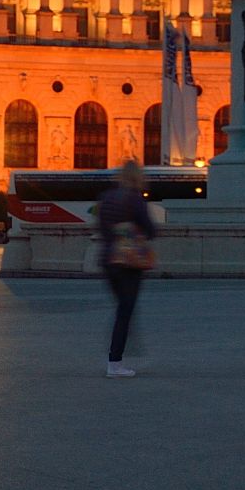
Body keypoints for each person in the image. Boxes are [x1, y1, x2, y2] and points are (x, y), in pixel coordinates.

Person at [96, 160, 156, 378]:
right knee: (125, 312)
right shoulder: (135, 198)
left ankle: (119, 352)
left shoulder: (107, 197)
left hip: (109, 260)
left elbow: (102, 228)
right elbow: (150, 229)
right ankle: (115, 361)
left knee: (123, 309)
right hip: (129, 263)